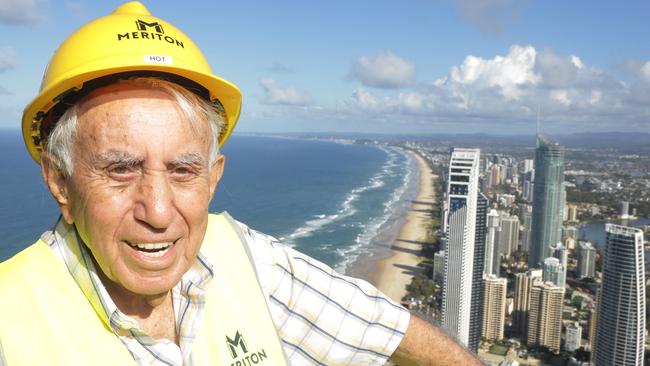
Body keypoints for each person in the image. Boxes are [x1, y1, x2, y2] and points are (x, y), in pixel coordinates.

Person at [0, 2, 482, 365]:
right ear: (60, 182)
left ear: (213, 179)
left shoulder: (245, 259)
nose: (160, 211)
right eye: (122, 169)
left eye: (183, 169)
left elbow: (391, 330)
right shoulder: (11, 320)